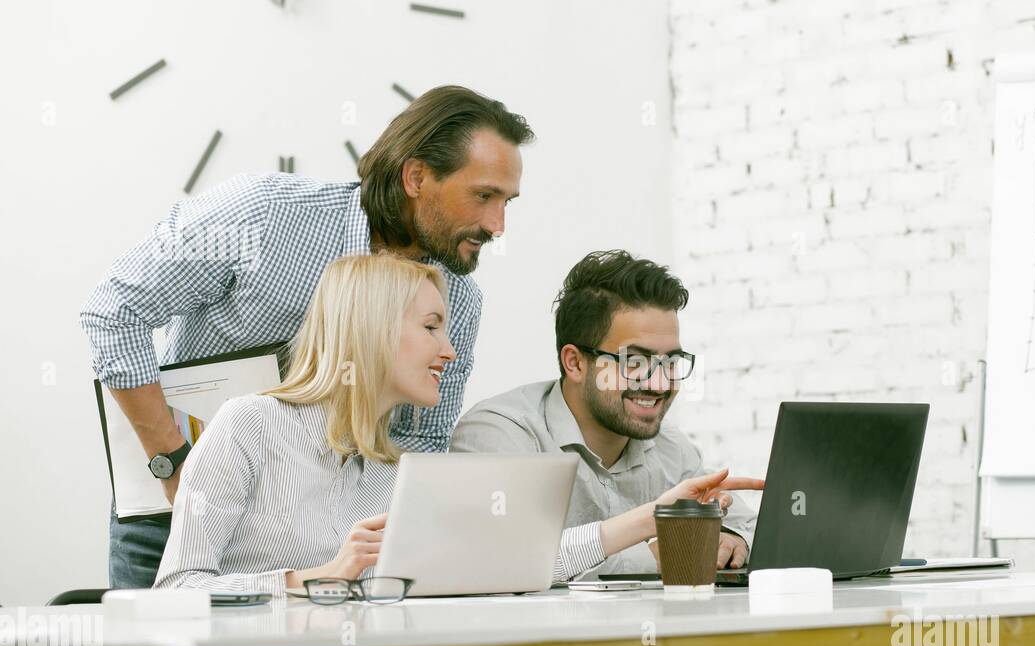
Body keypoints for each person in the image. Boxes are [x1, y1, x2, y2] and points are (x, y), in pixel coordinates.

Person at [82, 85, 532, 588]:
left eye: (507, 201)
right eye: (484, 196)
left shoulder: (459, 302)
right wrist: (174, 463)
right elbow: (115, 311)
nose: (498, 225)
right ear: (417, 176)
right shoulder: (262, 216)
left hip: (322, 547)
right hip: (171, 512)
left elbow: (418, 444)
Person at [452, 250, 762, 582]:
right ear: (574, 363)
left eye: (670, 362)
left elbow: (751, 523)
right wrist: (654, 555)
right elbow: (499, 559)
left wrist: (732, 538)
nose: (659, 383)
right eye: (634, 362)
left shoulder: (671, 449)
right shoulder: (500, 434)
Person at [153, 254, 454, 594]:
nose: (449, 351)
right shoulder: (248, 426)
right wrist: (316, 579)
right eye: (431, 327)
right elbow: (175, 590)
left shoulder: (394, 475)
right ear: (371, 328)